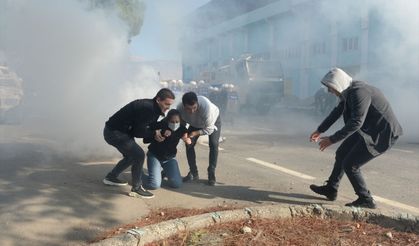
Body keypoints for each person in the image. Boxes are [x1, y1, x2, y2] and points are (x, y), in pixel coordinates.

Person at [309, 68, 403, 208]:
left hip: (382, 134)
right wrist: (320, 130)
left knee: (351, 164)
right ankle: (331, 189)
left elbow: (356, 122)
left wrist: (332, 139)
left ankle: (366, 199)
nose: (329, 91)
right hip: (368, 130)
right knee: (341, 153)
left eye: (330, 88)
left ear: (338, 84)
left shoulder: (360, 92)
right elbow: (337, 112)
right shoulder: (348, 93)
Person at [103, 88, 175, 199]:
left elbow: (148, 125)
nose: (168, 108)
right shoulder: (148, 109)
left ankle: (111, 177)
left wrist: (161, 127)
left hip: (121, 132)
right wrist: (154, 134)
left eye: (170, 105)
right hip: (114, 132)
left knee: (131, 156)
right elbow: (138, 132)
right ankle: (136, 188)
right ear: (158, 100)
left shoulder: (153, 108)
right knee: (139, 155)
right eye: (166, 104)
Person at [177, 91, 221, 186]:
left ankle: (211, 172)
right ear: (184, 106)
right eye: (188, 109)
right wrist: (184, 134)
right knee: (189, 144)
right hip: (194, 124)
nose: (192, 111)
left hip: (212, 123)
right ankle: (193, 172)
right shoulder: (179, 108)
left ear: (197, 103)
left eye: (194, 108)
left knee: (213, 144)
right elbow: (182, 124)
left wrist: (195, 133)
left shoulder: (206, 107)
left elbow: (209, 129)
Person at [143, 109, 192, 190]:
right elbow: (145, 139)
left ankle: (163, 172)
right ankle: (138, 174)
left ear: (180, 121)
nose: (174, 124)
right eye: (172, 122)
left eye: (177, 122)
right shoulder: (162, 125)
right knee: (154, 185)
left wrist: (188, 141)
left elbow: (187, 138)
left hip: (170, 159)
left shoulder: (182, 129)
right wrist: (156, 134)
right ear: (168, 120)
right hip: (155, 156)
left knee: (176, 184)